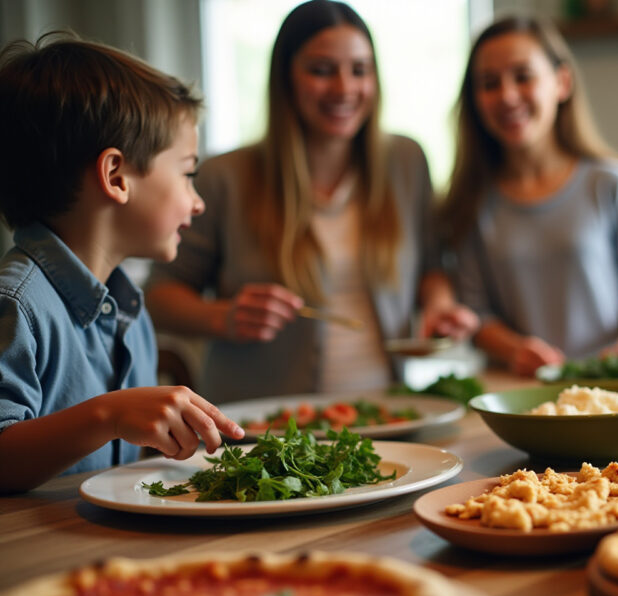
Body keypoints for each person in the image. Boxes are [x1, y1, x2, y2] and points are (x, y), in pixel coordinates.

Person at [146, 0, 477, 403]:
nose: (344, 88)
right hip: (262, 423)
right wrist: (224, 316)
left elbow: (430, 267)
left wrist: (439, 307)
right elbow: (160, 296)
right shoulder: (225, 176)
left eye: (359, 69)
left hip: (386, 411)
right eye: (322, 70)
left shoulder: (406, 161)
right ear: (285, 79)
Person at [0, 35, 243, 492]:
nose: (198, 203)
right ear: (116, 177)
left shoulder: (130, 311)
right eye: (187, 173)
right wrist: (110, 414)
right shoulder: (16, 304)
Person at [439, 15, 618, 377]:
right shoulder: (471, 203)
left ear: (562, 83)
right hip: (528, 397)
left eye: (523, 76)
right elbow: (476, 315)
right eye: (489, 83)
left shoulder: (611, 184)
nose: (508, 95)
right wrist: (515, 350)